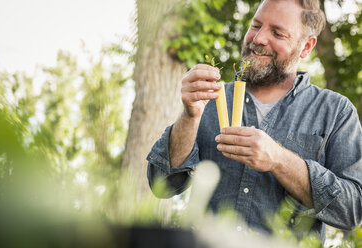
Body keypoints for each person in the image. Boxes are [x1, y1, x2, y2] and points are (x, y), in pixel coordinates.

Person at [146, 0, 362, 240]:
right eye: (256, 25)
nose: (258, 38)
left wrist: (280, 160)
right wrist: (189, 116)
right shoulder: (209, 98)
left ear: (306, 47)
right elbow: (162, 185)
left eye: (277, 33)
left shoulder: (336, 111)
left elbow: (352, 210)